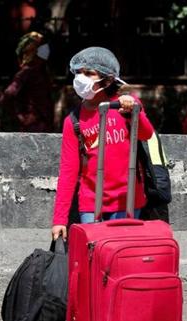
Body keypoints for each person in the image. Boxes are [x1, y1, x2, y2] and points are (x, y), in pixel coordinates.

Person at [50, 47, 155, 241]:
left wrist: (134, 111)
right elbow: (68, 170)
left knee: (119, 254)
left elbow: (146, 134)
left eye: (89, 73)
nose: (82, 78)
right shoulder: (73, 120)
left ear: (107, 80)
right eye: (79, 72)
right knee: (94, 255)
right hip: (91, 202)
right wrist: (59, 219)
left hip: (127, 198)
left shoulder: (126, 106)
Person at [0, 31, 54, 132]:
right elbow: (7, 95)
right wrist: (20, 117)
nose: (46, 49)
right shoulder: (26, 72)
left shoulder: (42, 71)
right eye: (41, 45)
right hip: (32, 128)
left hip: (45, 125)